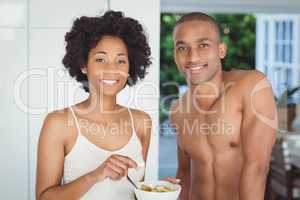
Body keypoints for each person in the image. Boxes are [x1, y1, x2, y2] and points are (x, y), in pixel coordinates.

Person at [36, 10, 152, 200]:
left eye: (121, 60)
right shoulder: (59, 123)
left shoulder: (141, 122)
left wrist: (159, 193)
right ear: (83, 65)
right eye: (100, 59)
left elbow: (136, 192)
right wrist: (95, 175)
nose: (112, 69)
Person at [169, 12, 277, 200]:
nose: (193, 57)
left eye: (203, 45)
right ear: (175, 55)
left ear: (221, 50)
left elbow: (257, 166)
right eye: (182, 48)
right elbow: (184, 174)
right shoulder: (178, 110)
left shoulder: (251, 85)